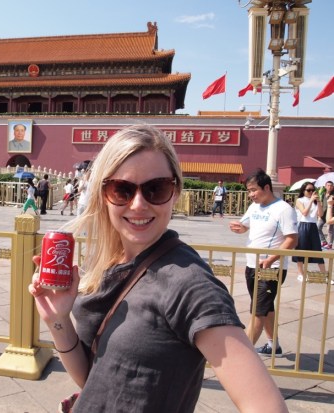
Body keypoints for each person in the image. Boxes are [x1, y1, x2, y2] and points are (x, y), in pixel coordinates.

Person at [29, 125, 288, 413]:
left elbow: (267, 406)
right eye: (122, 189)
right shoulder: (110, 262)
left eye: (156, 189)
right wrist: (58, 320)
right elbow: (93, 379)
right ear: (103, 194)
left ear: (175, 192)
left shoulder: (188, 283)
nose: (138, 204)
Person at [229, 169, 298, 356]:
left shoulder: (284, 209)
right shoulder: (254, 207)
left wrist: (271, 258)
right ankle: (273, 345)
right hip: (252, 265)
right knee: (264, 307)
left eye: (254, 190)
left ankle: (241, 357)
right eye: (249, 191)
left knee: (258, 311)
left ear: (266, 187)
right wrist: (239, 228)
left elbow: (292, 239)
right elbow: (245, 226)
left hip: (271, 269)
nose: (251, 194)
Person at [292, 182, 326, 282]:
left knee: (317, 249)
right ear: (303, 191)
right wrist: (311, 201)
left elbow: (321, 214)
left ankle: (324, 274)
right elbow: (304, 213)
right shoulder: (300, 200)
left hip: (313, 226)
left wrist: (318, 201)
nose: (311, 192)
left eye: (312, 190)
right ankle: (300, 273)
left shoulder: (315, 201)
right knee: (300, 249)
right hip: (302, 225)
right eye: (308, 190)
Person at [317, 180, 333, 249]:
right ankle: (323, 241)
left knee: (330, 230)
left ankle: (330, 244)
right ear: (325, 186)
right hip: (323, 214)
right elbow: (321, 203)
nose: (329, 187)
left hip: (331, 214)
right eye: (328, 185)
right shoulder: (323, 194)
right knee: (318, 227)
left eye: (331, 186)